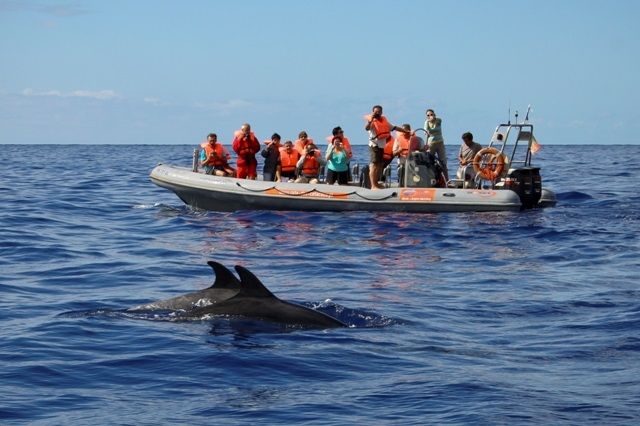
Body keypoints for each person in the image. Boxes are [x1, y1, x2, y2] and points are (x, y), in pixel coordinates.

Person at [365, 105, 404, 189]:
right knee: (374, 165)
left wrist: (405, 131)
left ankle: (376, 183)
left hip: (381, 146)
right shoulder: (372, 122)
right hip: (374, 145)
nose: (377, 113)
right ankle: (373, 185)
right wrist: (369, 121)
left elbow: (394, 127)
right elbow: (367, 128)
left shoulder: (384, 121)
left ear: (382, 112)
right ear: (373, 112)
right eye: (376, 112)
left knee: (379, 165)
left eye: (379, 112)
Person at [423, 109, 449, 181]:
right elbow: (425, 130)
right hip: (431, 144)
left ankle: (447, 180)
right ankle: (431, 179)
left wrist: (432, 119)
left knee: (443, 162)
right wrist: (426, 132)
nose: (430, 116)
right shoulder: (426, 122)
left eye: (431, 114)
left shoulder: (438, 120)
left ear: (434, 114)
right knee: (430, 161)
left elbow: (436, 126)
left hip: (440, 143)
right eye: (428, 115)